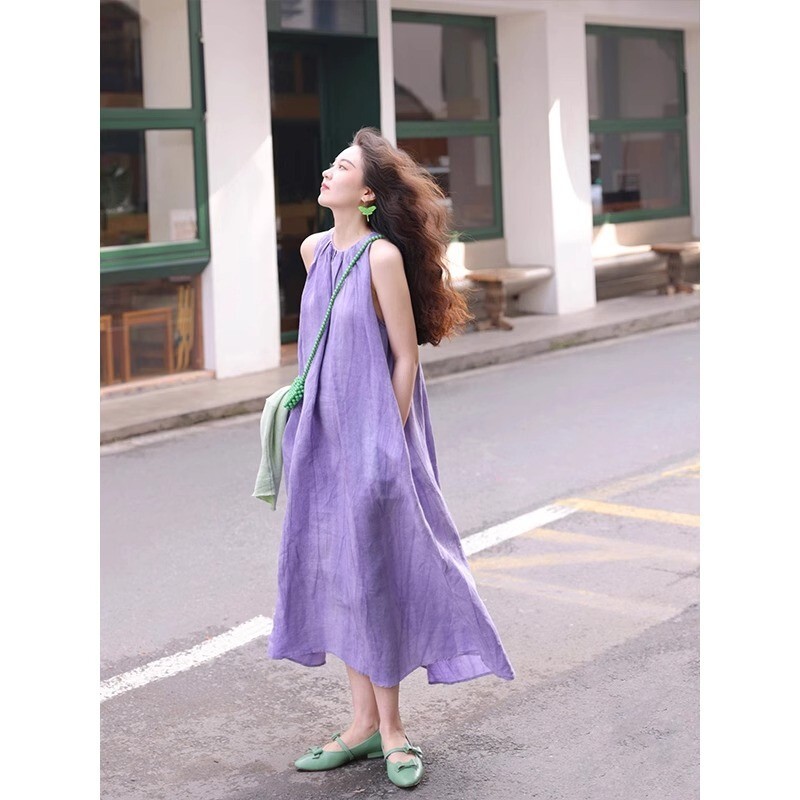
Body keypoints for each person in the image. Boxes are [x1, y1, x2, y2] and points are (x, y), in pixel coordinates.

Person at [267, 126, 515, 789]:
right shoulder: (313, 250)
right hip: (322, 433)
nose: (327, 171)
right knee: (341, 573)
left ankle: (393, 729)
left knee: (380, 571)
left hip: (377, 434)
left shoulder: (380, 259)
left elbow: (405, 357)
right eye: (331, 163)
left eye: (342, 166)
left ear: (369, 193)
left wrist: (386, 440)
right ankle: (361, 726)